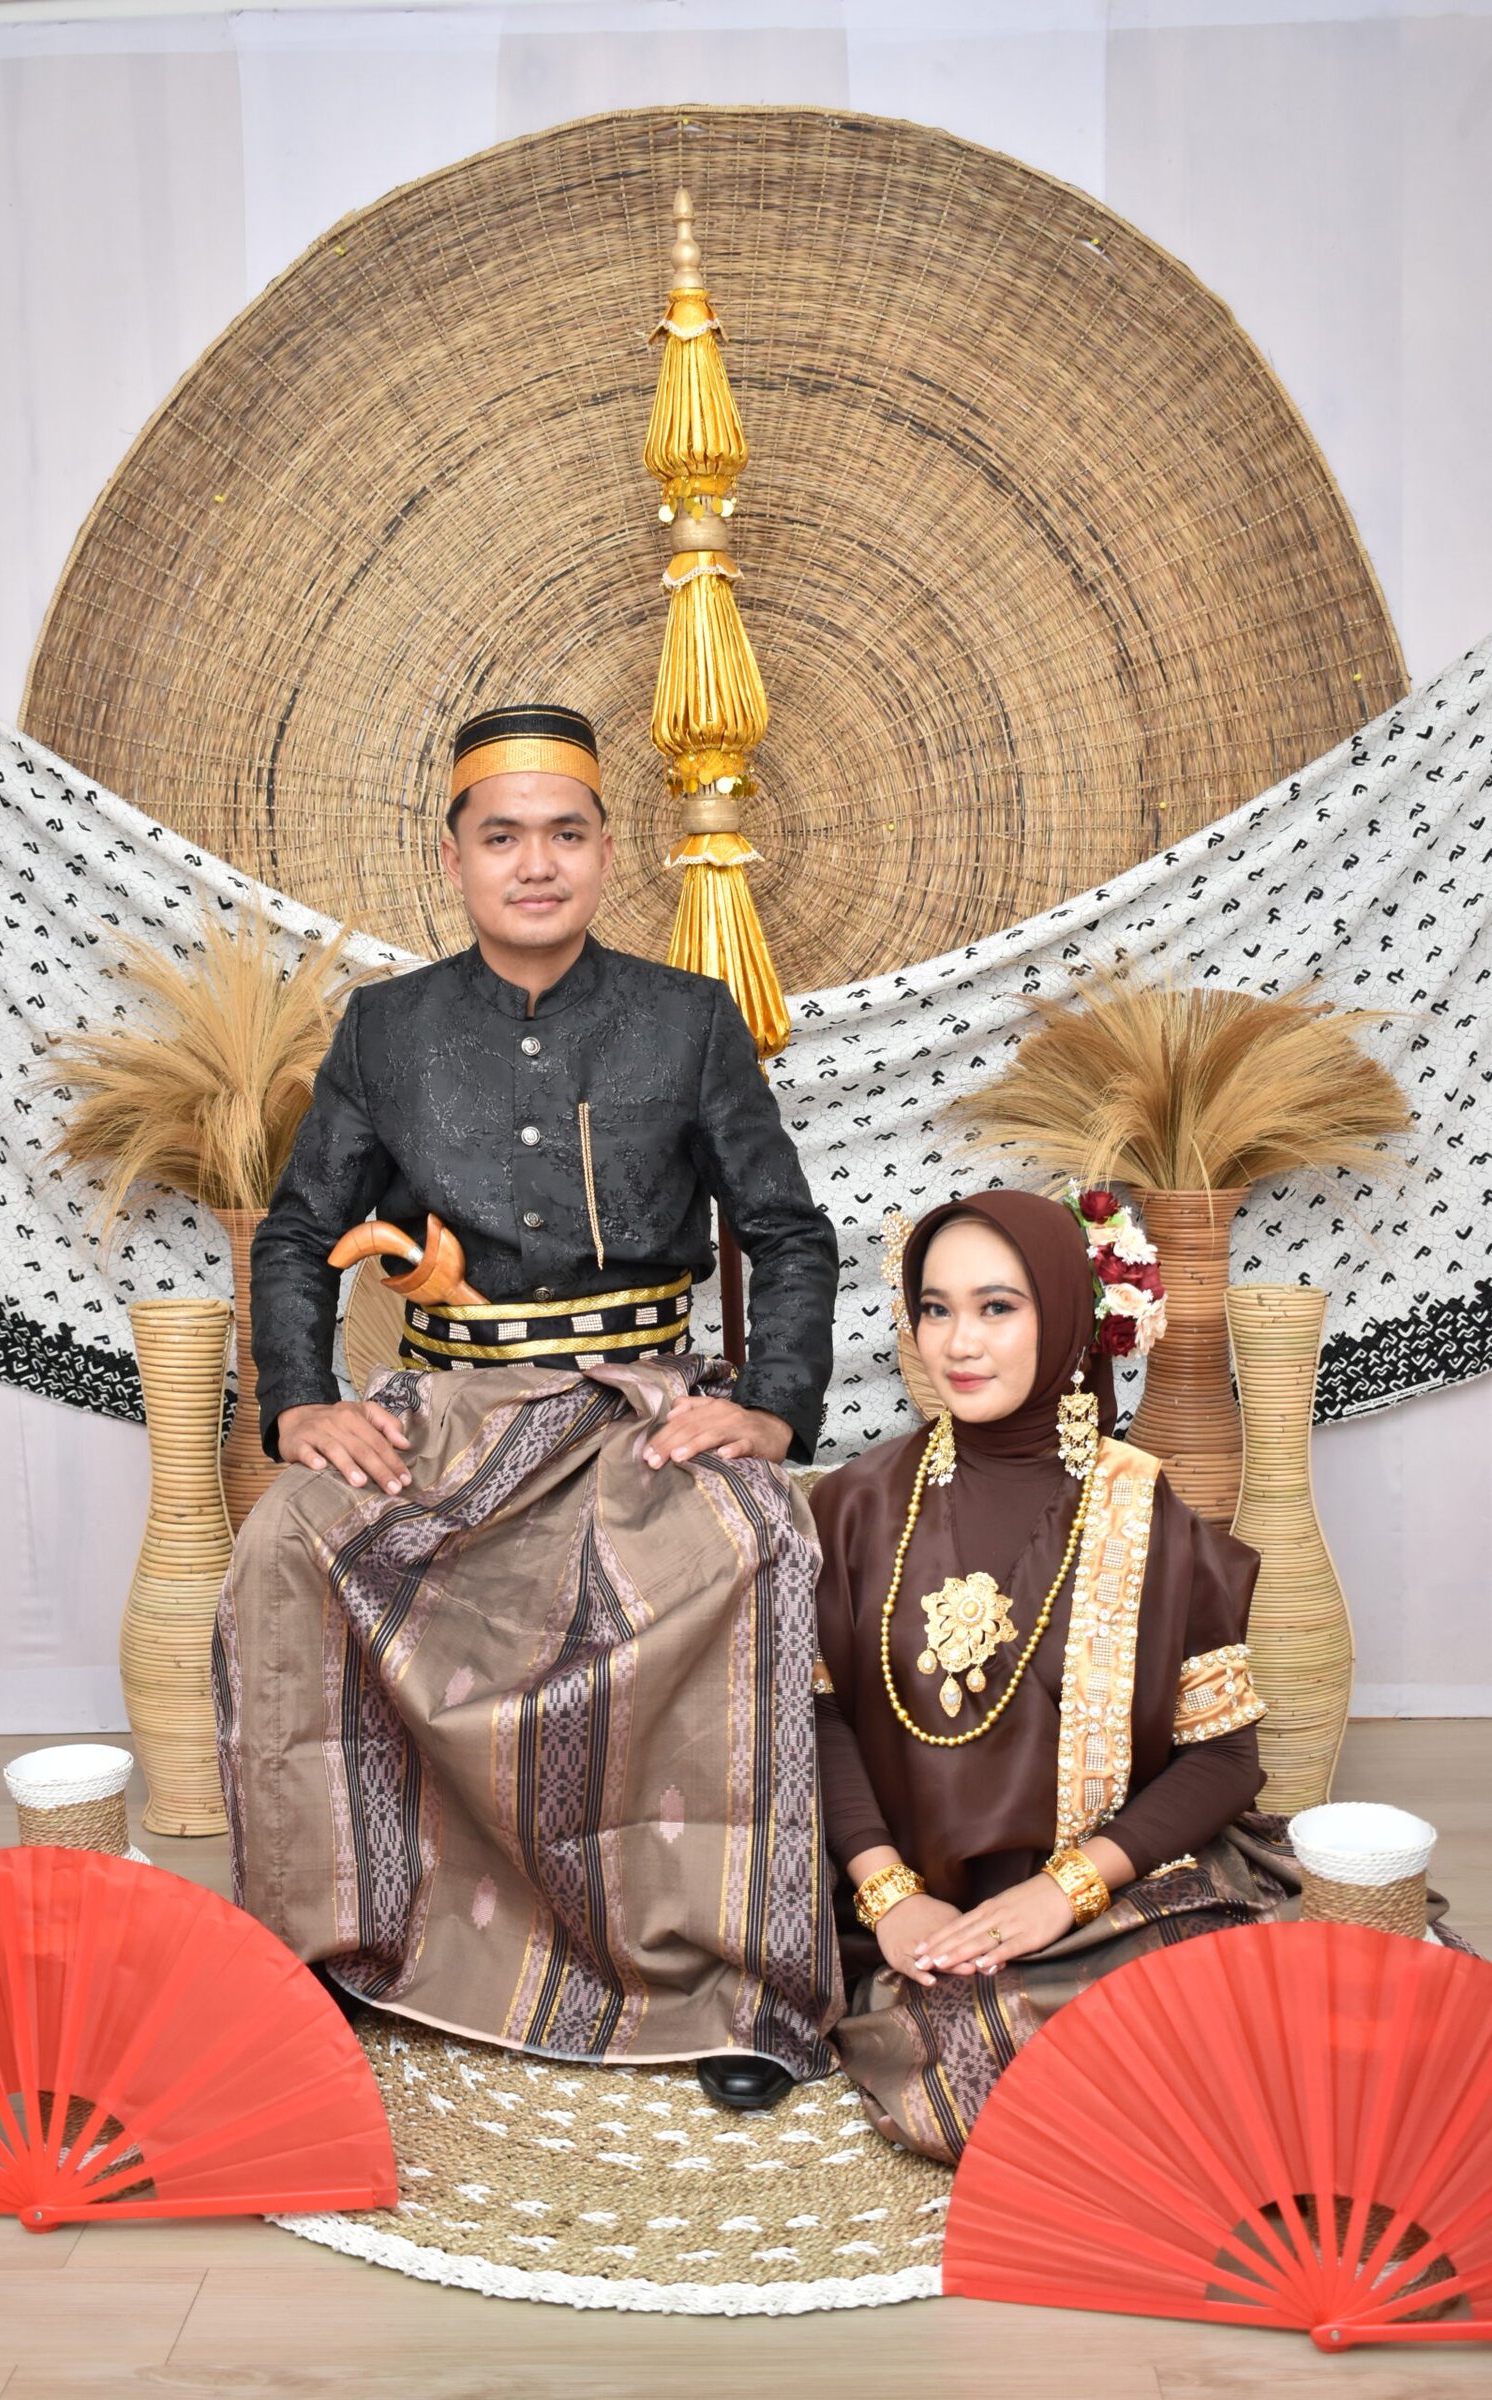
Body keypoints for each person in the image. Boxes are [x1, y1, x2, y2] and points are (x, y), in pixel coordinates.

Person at [216, 705, 841, 2110]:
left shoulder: (687, 1020)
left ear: (609, 853)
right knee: (285, 1544)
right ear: (455, 860)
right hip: (448, 1408)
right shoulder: (387, 1029)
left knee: (755, 1547)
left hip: (636, 1406)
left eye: (565, 834)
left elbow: (786, 1231)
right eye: (503, 837)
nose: (536, 864)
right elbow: (298, 1229)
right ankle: (339, 1945)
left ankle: (726, 1983)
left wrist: (771, 1409)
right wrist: (301, 1401)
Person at [810, 1188, 1292, 2163]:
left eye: (996, 1307)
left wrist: (1064, 1893)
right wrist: (888, 1894)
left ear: (1068, 1315)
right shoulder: (856, 1505)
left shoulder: (1144, 1514)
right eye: (935, 1308)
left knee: (1240, 2042)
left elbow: (1223, 1761)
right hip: (905, 1916)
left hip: (1105, 1901)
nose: (958, 1343)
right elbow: (812, 1723)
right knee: (977, 2067)